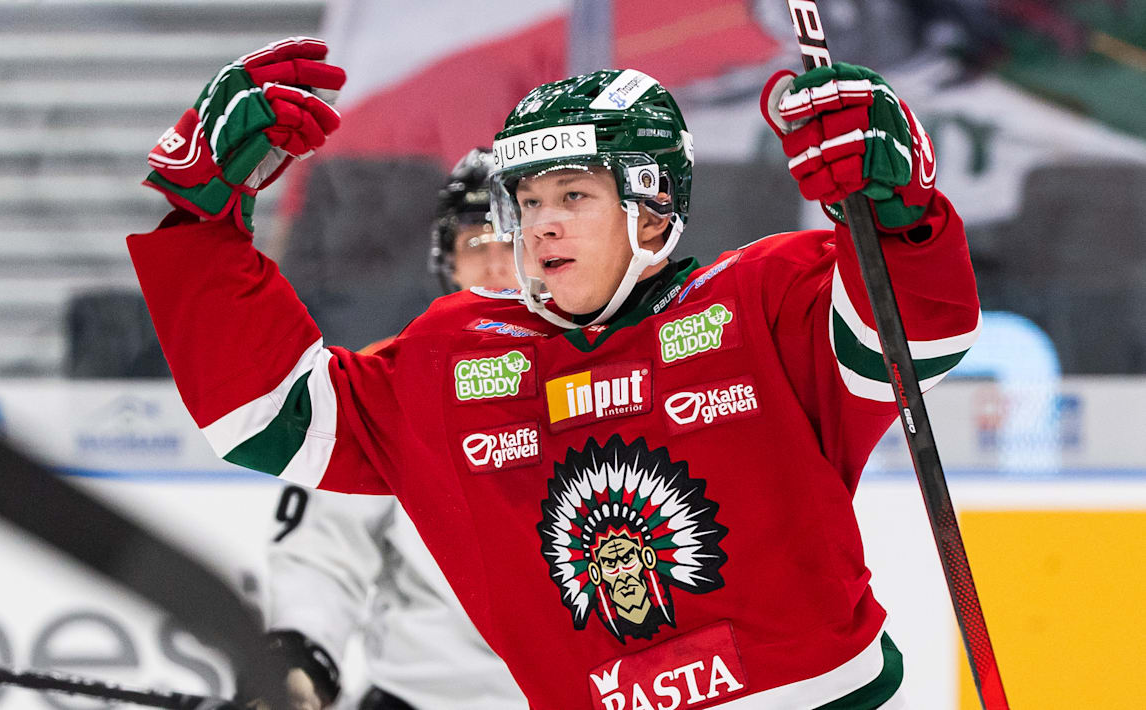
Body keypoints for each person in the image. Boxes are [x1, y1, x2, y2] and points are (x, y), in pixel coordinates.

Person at [131, 36, 979, 709]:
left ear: (653, 204)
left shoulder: (762, 298)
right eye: (528, 201)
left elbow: (917, 336)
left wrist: (896, 207)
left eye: (573, 196)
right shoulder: (459, 354)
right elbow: (269, 416)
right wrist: (202, 220)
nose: (539, 227)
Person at [259, 148, 527, 710]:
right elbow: (323, 551)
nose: (497, 268)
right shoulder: (391, 380)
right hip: (422, 699)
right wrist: (302, 659)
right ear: (447, 262)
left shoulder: (622, 373)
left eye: (515, 244)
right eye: (476, 244)